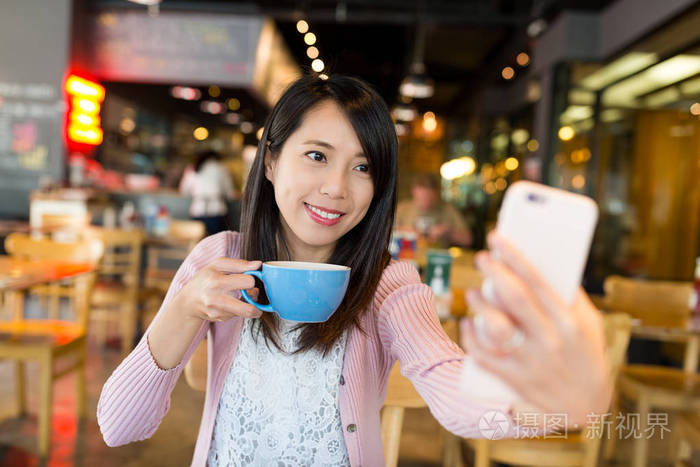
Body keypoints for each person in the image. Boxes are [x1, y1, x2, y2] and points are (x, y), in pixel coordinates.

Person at [97, 75, 612, 466]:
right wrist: (185, 308)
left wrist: (555, 402)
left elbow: (455, 397)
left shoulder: (389, 287)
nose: (338, 188)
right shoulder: (218, 261)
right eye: (317, 155)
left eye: (363, 167)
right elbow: (119, 427)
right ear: (271, 162)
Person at [395, 172, 472, 248]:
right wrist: (404, 230)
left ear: (437, 194)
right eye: (422, 198)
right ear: (414, 191)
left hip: (438, 256)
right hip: (407, 256)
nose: (426, 203)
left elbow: (468, 240)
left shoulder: (448, 209)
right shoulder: (402, 208)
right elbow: (385, 234)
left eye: (430, 199)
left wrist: (448, 232)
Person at [179, 150, 236, 235]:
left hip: (198, 209)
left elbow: (183, 190)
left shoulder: (193, 168)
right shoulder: (221, 168)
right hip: (216, 210)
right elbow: (230, 194)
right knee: (217, 244)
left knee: (198, 242)